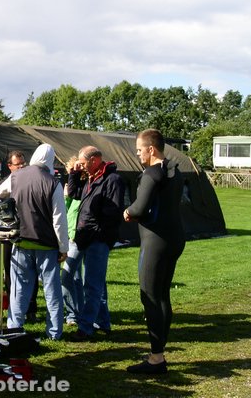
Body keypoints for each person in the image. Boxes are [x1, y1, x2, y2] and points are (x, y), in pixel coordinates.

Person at [124, 129, 186, 374]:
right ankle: (158, 352)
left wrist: (127, 212)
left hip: (155, 241)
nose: (138, 154)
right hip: (174, 238)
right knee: (162, 295)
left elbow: (139, 209)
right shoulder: (174, 171)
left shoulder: (151, 173)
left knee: (149, 296)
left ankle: (156, 358)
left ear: (151, 149)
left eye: (139, 149)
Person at [6, 143, 69, 340]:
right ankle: (54, 332)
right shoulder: (53, 183)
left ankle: (14, 328)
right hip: (46, 244)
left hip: (21, 242)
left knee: (19, 290)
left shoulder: (16, 176)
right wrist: (63, 247)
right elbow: (59, 219)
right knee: (52, 290)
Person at [67, 146, 125, 341]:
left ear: (94, 160)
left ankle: (85, 327)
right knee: (90, 281)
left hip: (97, 238)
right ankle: (103, 322)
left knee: (91, 284)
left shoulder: (111, 180)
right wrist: (74, 173)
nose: (81, 167)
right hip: (84, 236)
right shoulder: (90, 178)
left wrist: (96, 230)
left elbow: (113, 212)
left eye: (83, 163)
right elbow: (74, 194)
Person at [0, 150, 39, 323]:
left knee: (30, 271)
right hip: (8, 232)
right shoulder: (7, 182)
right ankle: (15, 307)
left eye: (23, 164)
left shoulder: (32, 179)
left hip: (28, 231)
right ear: (10, 166)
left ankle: (31, 309)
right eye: (17, 165)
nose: (21, 167)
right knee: (9, 271)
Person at [61, 156, 84, 327]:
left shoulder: (86, 186)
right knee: (76, 278)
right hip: (70, 234)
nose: (70, 174)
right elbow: (66, 210)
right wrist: (65, 196)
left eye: (72, 171)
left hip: (78, 236)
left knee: (67, 276)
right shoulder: (71, 187)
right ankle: (79, 312)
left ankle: (72, 314)